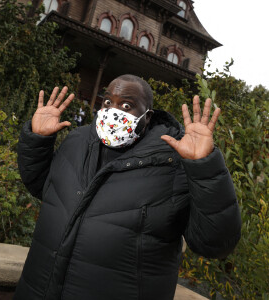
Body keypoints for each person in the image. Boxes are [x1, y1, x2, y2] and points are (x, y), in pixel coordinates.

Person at [15, 75, 241, 300]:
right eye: (107, 102)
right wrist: (37, 141)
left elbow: (215, 243)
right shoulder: (77, 140)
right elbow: (43, 187)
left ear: (147, 115)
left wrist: (204, 167)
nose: (113, 111)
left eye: (126, 105)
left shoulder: (172, 165)